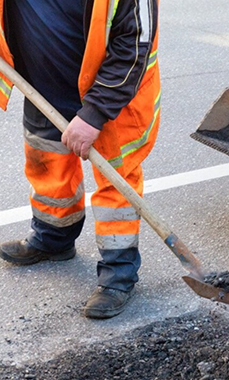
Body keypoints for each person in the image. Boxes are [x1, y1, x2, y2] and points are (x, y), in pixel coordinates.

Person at [0, 0, 161, 319]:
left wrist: (95, 113)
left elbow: (135, 43)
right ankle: (53, 237)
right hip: (42, 88)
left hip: (111, 97)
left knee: (117, 185)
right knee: (47, 164)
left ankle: (118, 274)